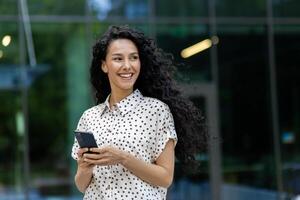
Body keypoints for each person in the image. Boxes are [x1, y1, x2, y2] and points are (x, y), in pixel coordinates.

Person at [71, 25, 207, 200]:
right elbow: (82, 185)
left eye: (133, 58)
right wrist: (84, 168)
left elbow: (165, 178)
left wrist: (122, 157)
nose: (127, 66)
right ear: (104, 65)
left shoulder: (157, 111)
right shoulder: (89, 117)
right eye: (118, 59)